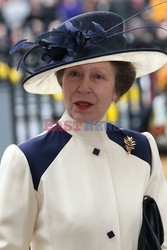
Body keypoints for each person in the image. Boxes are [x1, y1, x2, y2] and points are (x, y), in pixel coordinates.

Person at [0, 10, 167, 250]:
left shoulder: (143, 149)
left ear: (117, 89)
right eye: (74, 74)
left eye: (98, 76)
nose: (83, 87)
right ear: (61, 81)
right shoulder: (29, 160)